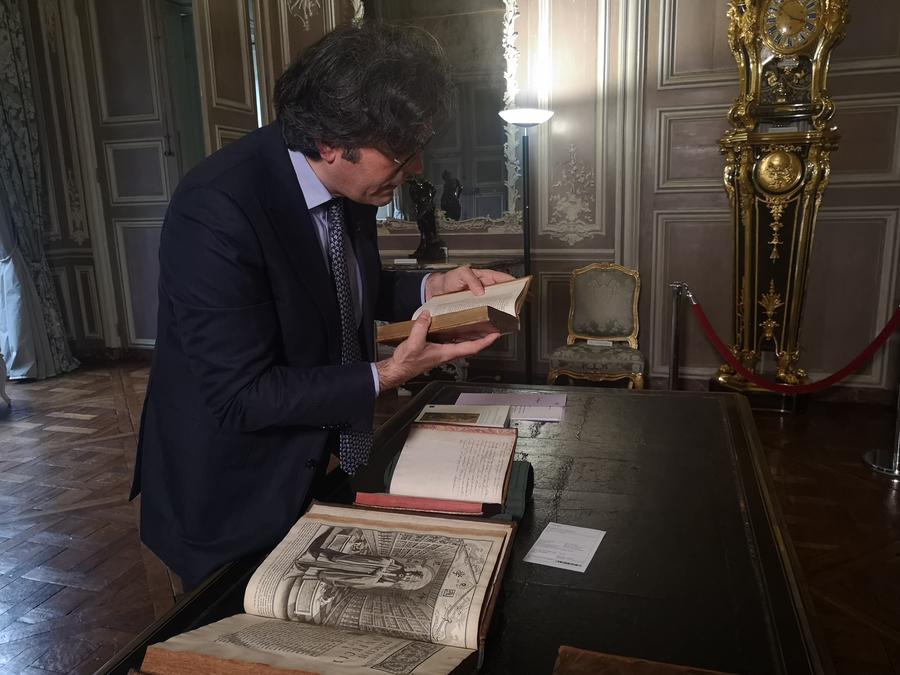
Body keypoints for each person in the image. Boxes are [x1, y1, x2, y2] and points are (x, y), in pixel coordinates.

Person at [130, 22, 513, 590]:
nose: (416, 168)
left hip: (317, 461)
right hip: (231, 491)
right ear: (331, 142)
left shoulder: (349, 182)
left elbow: (337, 284)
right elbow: (240, 395)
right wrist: (387, 373)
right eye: (402, 152)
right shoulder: (216, 208)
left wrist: (432, 288)